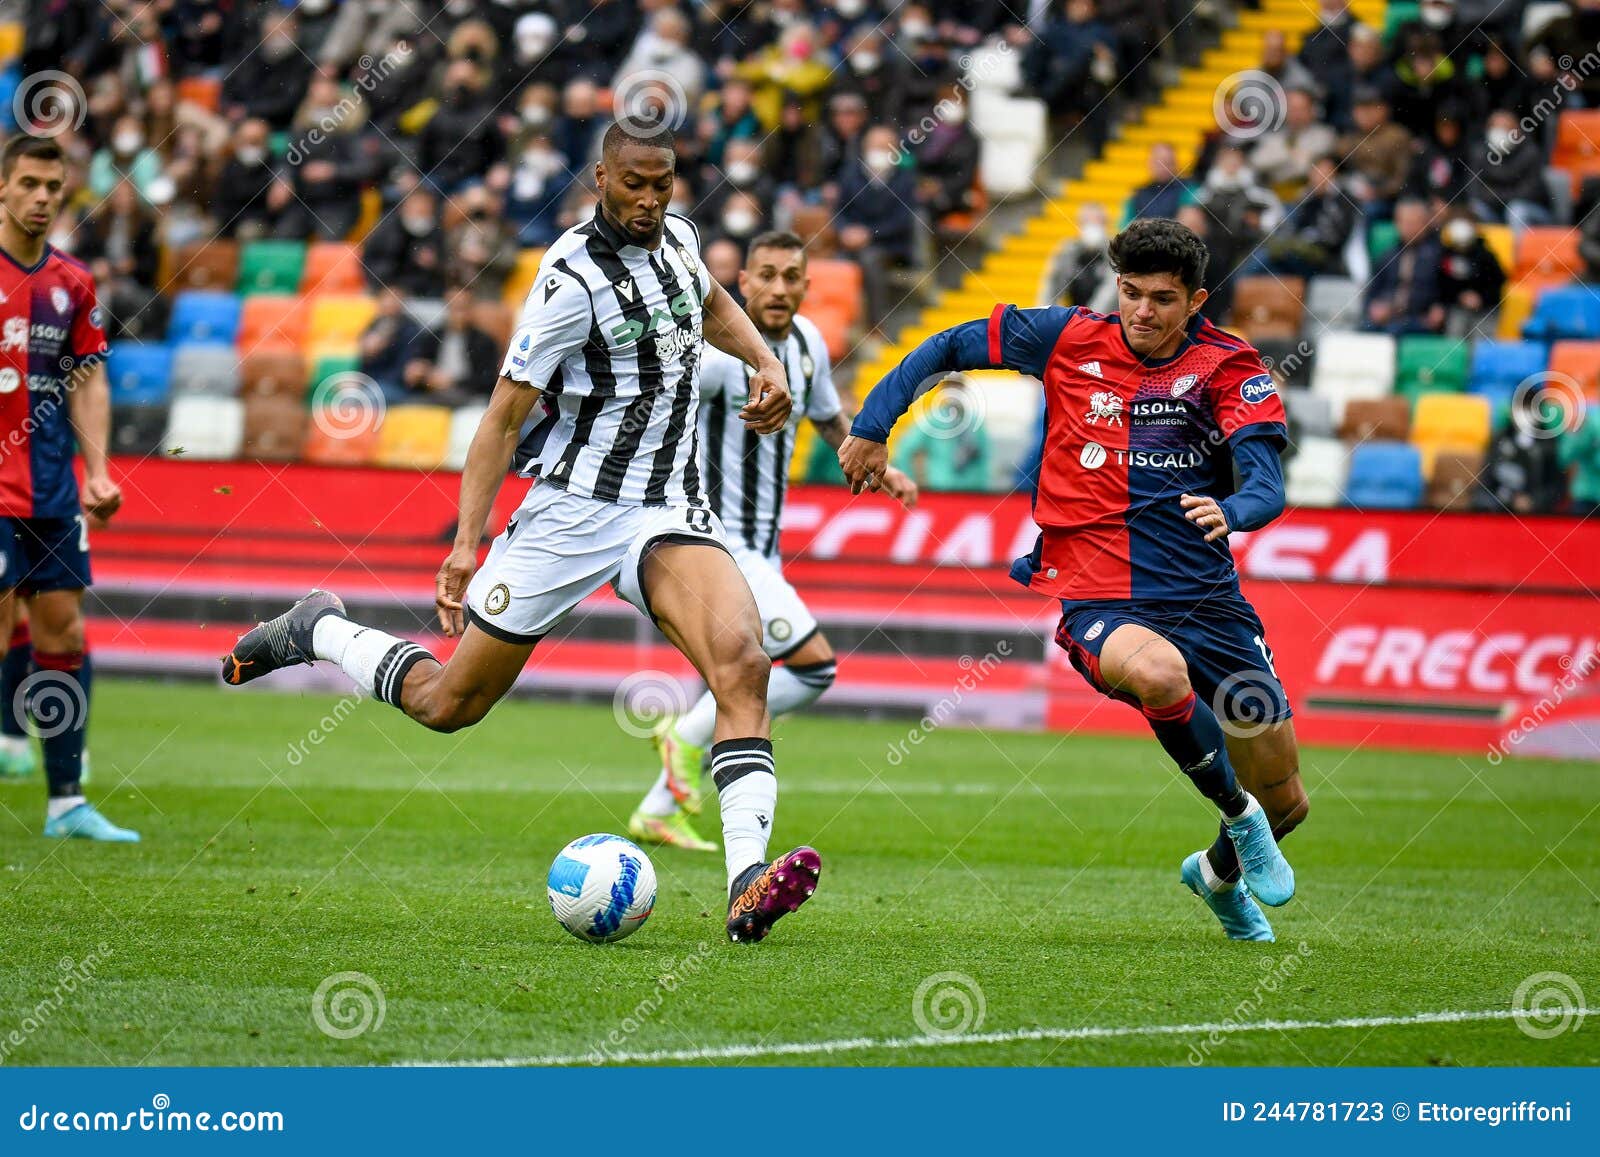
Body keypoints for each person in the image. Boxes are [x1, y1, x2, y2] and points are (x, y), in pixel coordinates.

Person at [223, 123, 821, 945]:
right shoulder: (569, 280)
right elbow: (503, 418)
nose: (650, 201)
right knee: (448, 703)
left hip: (667, 508)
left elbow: (714, 303)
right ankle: (319, 627)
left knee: (744, 660)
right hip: (570, 513)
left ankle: (745, 882)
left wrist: (766, 362)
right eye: (634, 184)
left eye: (664, 184)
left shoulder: (681, 239)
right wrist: (466, 543)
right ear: (600, 176)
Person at [838, 218, 1304, 942]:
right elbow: (944, 345)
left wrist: (1234, 508)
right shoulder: (1064, 336)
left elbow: (1267, 484)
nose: (1142, 311)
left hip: (1208, 598)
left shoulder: (1227, 364)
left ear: (1195, 301)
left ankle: (1216, 875)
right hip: (1099, 591)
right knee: (1158, 674)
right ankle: (1238, 819)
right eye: (1130, 293)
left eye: (1161, 298)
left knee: (1289, 803)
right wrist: (873, 424)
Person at [628, 230, 917, 850]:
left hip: (765, 546)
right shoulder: (717, 358)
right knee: (813, 667)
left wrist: (878, 465)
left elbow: (828, 417)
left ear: (807, 286)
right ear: (744, 283)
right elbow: (658, 400)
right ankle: (683, 737)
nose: (780, 288)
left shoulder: (809, 344)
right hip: (719, 542)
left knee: (741, 681)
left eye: (792, 276)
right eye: (767, 275)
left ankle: (658, 809)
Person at [0, 135, 135, 841]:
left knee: (62, 632)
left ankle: (65, 804)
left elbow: (87, 379)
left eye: (53, 187)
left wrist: (101, 470)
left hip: (50, 494)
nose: (42, 197)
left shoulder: (73, 283)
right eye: (28, 183)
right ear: (2, 188)